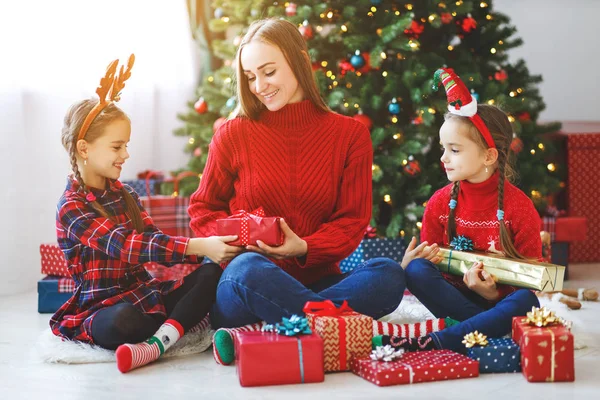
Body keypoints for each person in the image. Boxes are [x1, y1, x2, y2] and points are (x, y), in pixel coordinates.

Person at [188, 19, 406, 365]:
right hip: (244, 286)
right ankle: (337, 332)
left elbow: (351, 222)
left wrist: (302, 247)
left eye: (269, 72)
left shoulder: (350, 136)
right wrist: (233, 239)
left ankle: (272, 330)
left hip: (320, 283)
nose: (259, 86)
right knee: (249, 269)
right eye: (250, 77)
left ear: (301, 62)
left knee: (388, 274)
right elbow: (202, 211)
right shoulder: (232, 134)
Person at [52, 55, 240, 373]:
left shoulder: (127, 196)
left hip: (148, 298)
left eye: (126, 145)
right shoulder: (72, 206)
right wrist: (198, 245)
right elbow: (127, 244)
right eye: (116, 147)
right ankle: (175, 327)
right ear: (84, 149)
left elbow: (155, 242)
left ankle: (157, 342)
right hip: (103, 310)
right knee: (123, 320)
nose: (126, 154)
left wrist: (214, 250)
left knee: (212, 274)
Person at [375, 68, 541, 353]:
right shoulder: (441, 203)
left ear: (489, 156)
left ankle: (442, 339)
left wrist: (492, 293)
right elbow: (431, 267)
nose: (443, 158)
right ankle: (488, 329)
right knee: (416, 270)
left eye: (454, 149)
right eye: (443, 148)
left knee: (527, 301)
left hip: (500, 302)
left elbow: (532, 276)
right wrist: (409, 265)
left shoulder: (519, 207)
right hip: (453, 299)